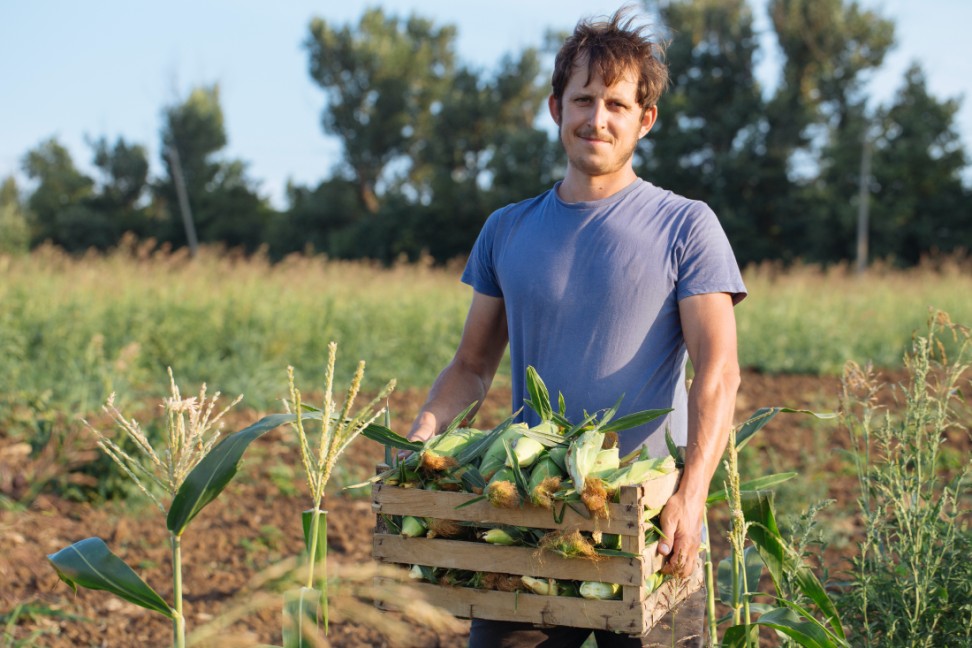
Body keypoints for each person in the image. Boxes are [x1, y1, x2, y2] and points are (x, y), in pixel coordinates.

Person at [406, 7, 746, 647]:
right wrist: (425, 429)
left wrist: (691, 496)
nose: (598, 119)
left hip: (644, 520)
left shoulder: (686, 226)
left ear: (645, 120)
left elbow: (719, 371)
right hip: (531, 513)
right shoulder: (506, 228)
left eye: (617, 104)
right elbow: (472, 366)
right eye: (584, 99)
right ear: (555, 107)